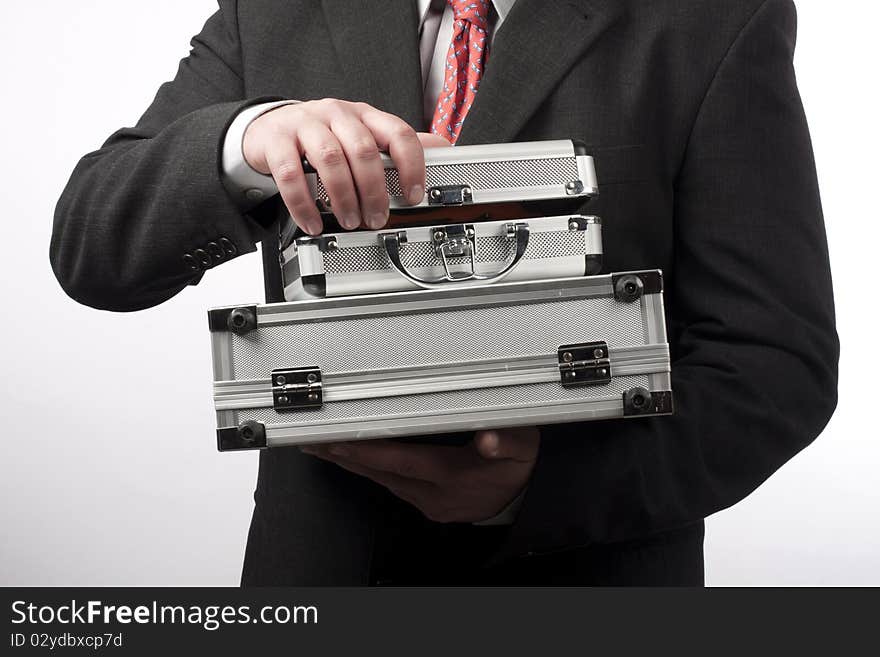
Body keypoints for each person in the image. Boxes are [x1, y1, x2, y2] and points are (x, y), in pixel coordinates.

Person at [50, 0, 838, 585]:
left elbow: (775, 363)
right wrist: (244, 142)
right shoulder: (274, 9)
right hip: (324, 572)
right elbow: (89, 247)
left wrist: (538, 487)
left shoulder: (716, 16)